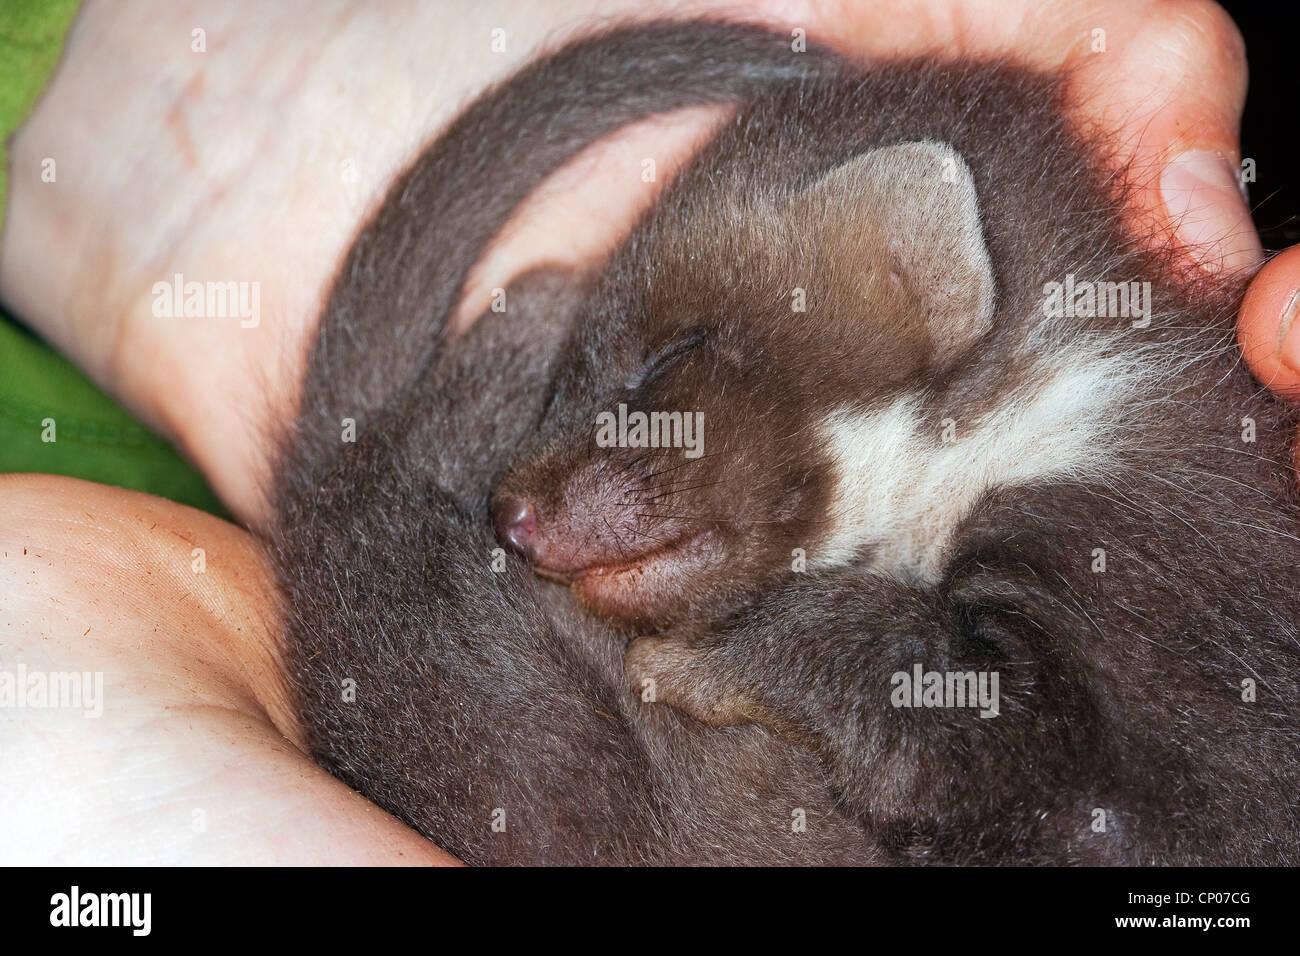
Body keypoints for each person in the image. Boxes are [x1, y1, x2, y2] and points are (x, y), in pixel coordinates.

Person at [0, 0, 1293, 864]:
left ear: (912, 266)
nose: (532, 503)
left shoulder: (1153, 523)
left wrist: (796, 640)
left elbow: (1002, 769)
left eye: (660, 376)